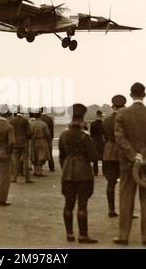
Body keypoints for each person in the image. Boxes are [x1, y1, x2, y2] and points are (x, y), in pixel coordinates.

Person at [113, 82, 146, 246]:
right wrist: (144, 155)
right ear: (144, 94)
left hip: (127, 164)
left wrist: (134, 155)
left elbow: (119, 138)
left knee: (126, 198)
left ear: (130, 94)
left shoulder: (121, 114)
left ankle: (123, 236)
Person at [59, 103, 99, 244]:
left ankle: (69, 234)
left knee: (68, 204)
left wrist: (65, 168)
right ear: (82, 118)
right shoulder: (85, 137)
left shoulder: (63, 135)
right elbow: (94, 156)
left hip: (68, 172)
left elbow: (61, 156)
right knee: (82, 205)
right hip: (83, 173)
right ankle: (83, 235)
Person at [102, 95, 126, 217]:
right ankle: (127, 210)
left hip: (109, 151)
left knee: (111, 183)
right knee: (126, 183)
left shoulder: (106, 120)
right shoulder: (126, 119)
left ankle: (111, 209)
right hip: (123, 152)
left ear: (113, 106)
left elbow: (104, 137)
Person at [10, 112, 33, 183]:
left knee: (15, 160)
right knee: (26, 160)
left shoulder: (12, 121)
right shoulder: (25, 120)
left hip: (15, 142)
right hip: (24, 142)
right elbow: (29, 132)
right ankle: (27, 178)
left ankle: (14, 178)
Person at [29, 112, 51, 176]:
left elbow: (29, 133)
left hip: (33, 141)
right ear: (40, 116)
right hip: (41, 140)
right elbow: (47, 134)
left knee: (34, 155)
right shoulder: (43, 124)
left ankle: (35, 171)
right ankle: (39, 171)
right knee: (41, 155)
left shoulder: (31, 124)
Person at [90, 110, 104, 176]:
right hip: (102, 142)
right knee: (103, 157)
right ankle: (104, 171)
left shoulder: (92, 124)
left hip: (95, 142)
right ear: (101, 116)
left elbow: (91, 134)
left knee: (95, 158)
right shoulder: (103, 124)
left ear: (96, 115)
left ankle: (96, 172)